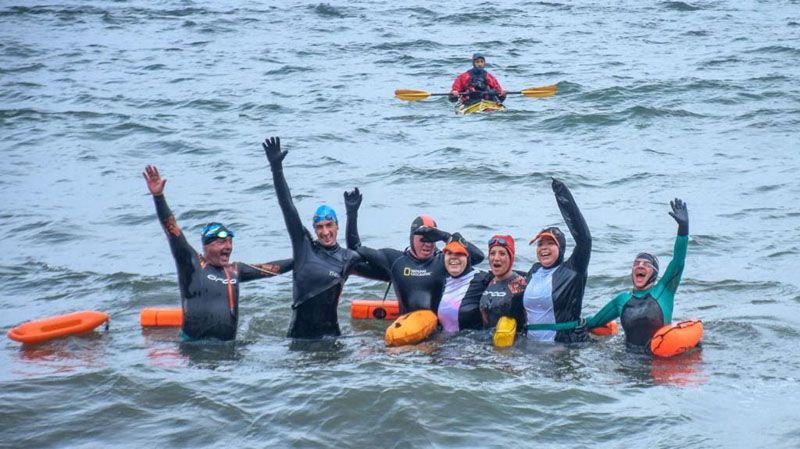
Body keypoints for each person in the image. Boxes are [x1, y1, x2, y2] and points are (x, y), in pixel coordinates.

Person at [143, 165, 292, 341]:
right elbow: (171, 228)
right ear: (206, 246)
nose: (228, 247)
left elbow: (273, 269)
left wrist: (303, 258)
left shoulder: (235, 270)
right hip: (195, 348)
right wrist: (158, 196)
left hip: (228, 351)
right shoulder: (192, 263)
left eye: (230, 242)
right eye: (221, 242)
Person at [262, 137, 376, 339]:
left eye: (329, 225)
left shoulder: (347, 258)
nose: (325, 232)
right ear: (314, 229)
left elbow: (365, 255)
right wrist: (276, 168)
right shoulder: (304, 247)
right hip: (299, 339)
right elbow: (287, 206)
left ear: (336, 227)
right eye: (319, 227)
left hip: (332, 338)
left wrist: (352, 214)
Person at [346, 195, 484, 315]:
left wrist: (445, 236)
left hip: (438, 334)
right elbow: (355, 251)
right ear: (411, 238)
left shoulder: (444, 261)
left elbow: (477, 256)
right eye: (423, 239)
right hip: (407, 333)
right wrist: (352, 214)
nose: (428, 244)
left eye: (432, 239)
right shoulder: (395, 260)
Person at [584, 199, 689, 350]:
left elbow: (678, 260)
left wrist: (683, 230)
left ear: (655, 273)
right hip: (628, 360)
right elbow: (594, 322)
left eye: (646, 264)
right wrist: (571, 324)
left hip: (657, 359)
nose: (640, 265)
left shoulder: (664, 290)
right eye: (636, 263)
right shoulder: (622, 300)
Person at [523, 178, 592, 343]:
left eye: (550, 243)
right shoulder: (533, 272)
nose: (544, 248)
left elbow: (585, 240)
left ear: (561, 248)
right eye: (540, 244)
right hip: (529, 348)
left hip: (561, 347)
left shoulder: (573, 270)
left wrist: (562, 196)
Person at [437, 235, 491, 333]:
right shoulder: (441, 281)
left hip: (472, 344)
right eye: (449, 253)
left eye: (459, 253)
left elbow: (507, 275)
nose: (453, 257)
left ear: (468, 258)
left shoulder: (482, 279)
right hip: (443, 342)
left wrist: (446, 235)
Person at [479, 235, 527, 330]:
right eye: (492, 253)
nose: (496, 258)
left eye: (502, 253)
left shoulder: (520, 284)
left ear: (511, 258)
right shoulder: (488, 282)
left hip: (515, 343)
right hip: (487, 341)